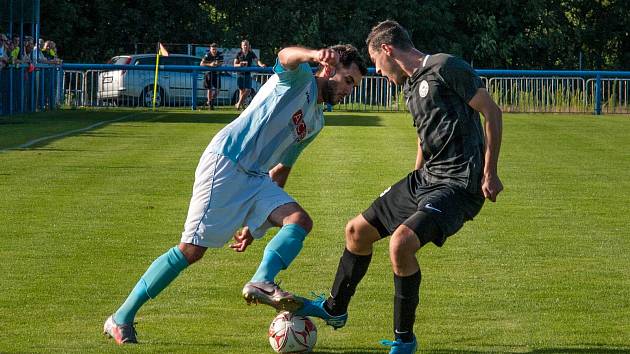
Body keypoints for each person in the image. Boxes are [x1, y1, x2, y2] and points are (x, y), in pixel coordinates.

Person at [103, 44, 367, 345]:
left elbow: (281, 169)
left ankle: (262, 281)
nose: (350, 90)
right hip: (227, 161)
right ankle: (121, 317)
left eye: (355, 86)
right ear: (330, 69)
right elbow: (283, 55)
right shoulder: (300, 79)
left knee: (299, 220)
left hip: (256, 177)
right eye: (348, 81)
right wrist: (312, 54)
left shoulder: (317, 122)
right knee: (191, 250)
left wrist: (257, 226)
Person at [295, 20, 503, 354]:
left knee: (401, 244)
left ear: (388, 50)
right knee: (356, 231)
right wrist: (411, 183)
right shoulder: (409, 88)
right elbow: (426, 136)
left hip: (460, 183)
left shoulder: (446, 67)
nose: (377, 71)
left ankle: (404, 340)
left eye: (376, 62)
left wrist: (489, 173)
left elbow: (492, 113)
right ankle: (336, 308)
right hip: (426, 180)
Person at [233, 39, 266, 110]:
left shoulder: (251, 53)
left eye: (247, 45)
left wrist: (261, 65)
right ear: (241, 46)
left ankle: (238, 103)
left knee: (248, 90)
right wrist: (240, 64)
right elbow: (234, 64)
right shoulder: (238, 54)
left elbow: (257, 61)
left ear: (249, 46)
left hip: (248, 74)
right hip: (240, 74)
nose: (245, 46)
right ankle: (241, 106)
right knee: (241, 91)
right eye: (244, 45)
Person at [199, 42, 223, 109]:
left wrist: (217, 64)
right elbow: (201, 64)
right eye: (213, 49)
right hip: (209, 73)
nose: (214, 51)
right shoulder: (207, 55)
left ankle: (210, 101)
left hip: (217, 73)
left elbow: (221, 62)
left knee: (218, 89)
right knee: (209, 89)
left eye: (215, 49)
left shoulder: (219, 54)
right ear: (210, 49)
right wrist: (210, 65)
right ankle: (210, 104)